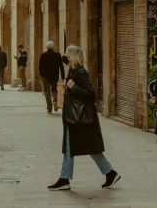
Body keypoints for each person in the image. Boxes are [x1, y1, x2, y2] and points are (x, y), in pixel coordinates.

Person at [48, 45, 120, 192]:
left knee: (78, 147)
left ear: (72, 56)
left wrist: (73, 87)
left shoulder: (80, 72)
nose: (64, 56)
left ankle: (65, 179)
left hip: (80, 118)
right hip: (75, 117)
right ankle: (109, 173)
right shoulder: (73, 71)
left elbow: (91, 93)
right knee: (85, 147)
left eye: (67, 54)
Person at [39, 41, 65, 113]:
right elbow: (61, 66)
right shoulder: (58, 55)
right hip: (54, 75)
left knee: (47, 92)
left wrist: (41, 74)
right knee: (54, 89)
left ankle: (49, 108)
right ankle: (55, 101)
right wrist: (62, 76)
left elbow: (40, 66)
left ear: (46, 47)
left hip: (45, 75)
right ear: (53, 47)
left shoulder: (43, 55)